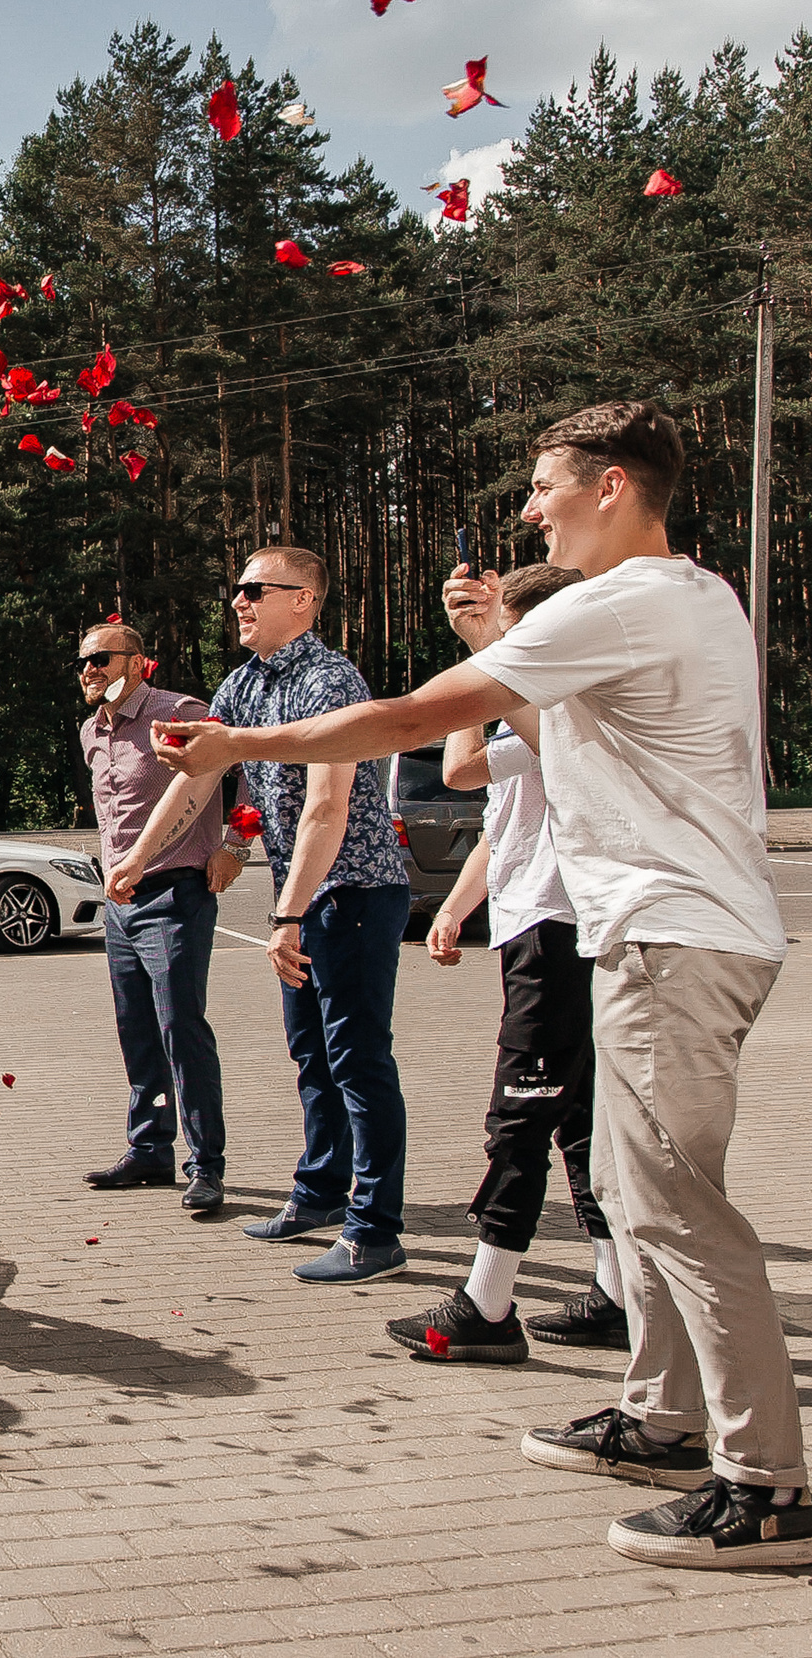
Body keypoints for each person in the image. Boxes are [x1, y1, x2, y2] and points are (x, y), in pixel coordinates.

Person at [156, 401, 806, 1570]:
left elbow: (415, 718)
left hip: (673, 938)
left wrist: (237, 746)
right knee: (626, 1182)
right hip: (658, 933)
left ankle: (766, 1481)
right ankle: (660, 1421)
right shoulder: (692, 591)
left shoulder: (628, 599)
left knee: (677, 1207)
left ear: (611, 484)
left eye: (543, 482)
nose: (526, 505)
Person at [388, 561, 622, 1365]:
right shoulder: (532, 714)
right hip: (532, 920)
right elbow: (483, 793)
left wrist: (487, 649)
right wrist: (456, 906)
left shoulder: (575, 707)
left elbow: (469, 755)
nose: (510, 650)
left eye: (523, 634)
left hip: (565, 926)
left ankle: (487, 1304)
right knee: (581, 1118)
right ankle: (616, 1293)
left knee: (521, 1116)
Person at [188, 547, 412, 1285]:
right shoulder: (243, 683)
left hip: (352, 894)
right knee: (311, 1059)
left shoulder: (329, 680)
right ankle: (318, 1196)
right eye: (235, 590)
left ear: (305, 601)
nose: (239, 603)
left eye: (255, 589)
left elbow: (328, 807)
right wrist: (137, 859)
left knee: (357, 1062)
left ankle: (375, 1232)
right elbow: (203, 775)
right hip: (303, 898)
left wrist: (286, 917)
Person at [79, 625, 239, 1213]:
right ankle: (150, 1149)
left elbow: (247, 776)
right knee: (138, 1032)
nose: (90, 669)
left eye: (102, 658)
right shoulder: (91, 732)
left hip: (176, 895)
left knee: (181, 1029)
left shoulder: (180, 713)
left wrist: (237, 848)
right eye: (83, 661)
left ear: (140, 662)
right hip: (120, 903)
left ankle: (207, 1165)